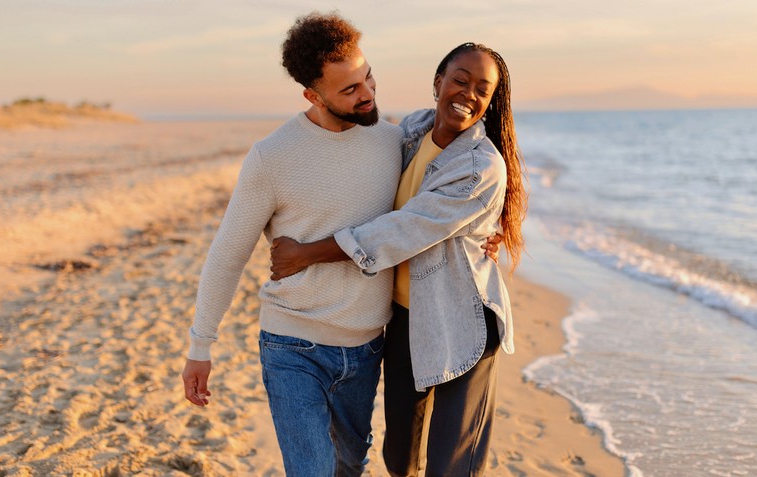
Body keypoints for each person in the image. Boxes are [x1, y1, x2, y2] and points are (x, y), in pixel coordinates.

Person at [180, 14, 501, 476]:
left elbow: (439, 196)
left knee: (350, 466)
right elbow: (228, 254)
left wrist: (489, 234)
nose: (367, 94)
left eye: (367, 76)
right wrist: (200, 345)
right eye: (349, 90)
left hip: (369, 347)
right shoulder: (271, 157)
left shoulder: (393, 141)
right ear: (313, 95)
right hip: (292, 344)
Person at [269, 42, 527, 477]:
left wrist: (306, 254)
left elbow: (402, 229)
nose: (468, 93)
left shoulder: (482, 166)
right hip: (407, 317)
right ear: (438, 83)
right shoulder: (411, 132)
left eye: (482, 89)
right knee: (399, 458)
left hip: (463, 319)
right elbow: (357, 158)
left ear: (490, 101)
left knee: (451, 466)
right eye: (460, 80)